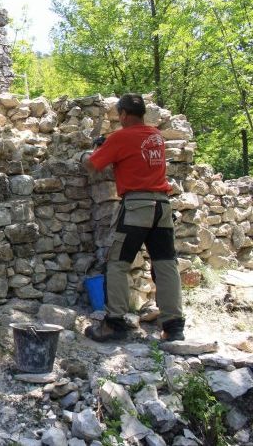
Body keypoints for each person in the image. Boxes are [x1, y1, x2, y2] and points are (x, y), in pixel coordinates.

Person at [82, 93, 185, 342]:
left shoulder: (121, 137)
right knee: (165, 263)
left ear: (124, 114)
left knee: (118, 263)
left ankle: (114, 323)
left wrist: (94, 151)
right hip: (162, 206)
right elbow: (136, 154)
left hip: (137, 206)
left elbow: (92, 165)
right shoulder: (156, 136)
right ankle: (174, 327)